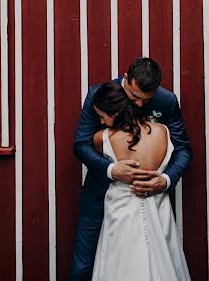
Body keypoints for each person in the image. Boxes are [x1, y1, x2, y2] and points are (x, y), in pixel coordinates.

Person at [67, 57, 192, 280]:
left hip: (151, 198)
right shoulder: (99, 95)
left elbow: (183, 149)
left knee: (155, 261)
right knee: (84, 265)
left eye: (148, 99)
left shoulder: (167, 101)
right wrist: (111, 169)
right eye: (135, 97)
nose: (140, 105)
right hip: (101, 192)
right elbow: (81, 144)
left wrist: (166, 180)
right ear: (126, 79)